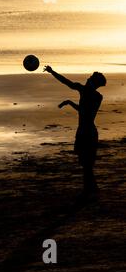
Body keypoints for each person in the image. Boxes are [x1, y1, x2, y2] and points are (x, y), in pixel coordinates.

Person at [44, 66, 106, 195]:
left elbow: (66, 82)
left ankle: (90, 191)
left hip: (85, 131)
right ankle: (90, 190)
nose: (87, 78)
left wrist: (52, 72)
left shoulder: (85, 91)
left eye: (90, 78)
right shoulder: (97, 96)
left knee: (86, 165)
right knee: (86, 164)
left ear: (93, 82)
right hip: (89, 131)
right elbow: (84, 111)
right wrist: (69, 103)